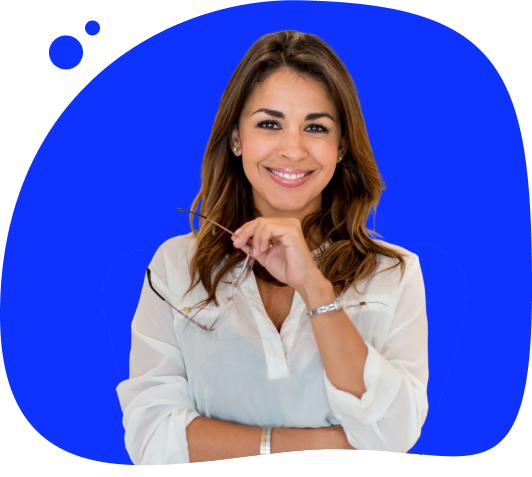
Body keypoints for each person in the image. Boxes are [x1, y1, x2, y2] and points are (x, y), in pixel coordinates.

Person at [116, 30, 428, 464]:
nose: (292, 150)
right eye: (269, 124)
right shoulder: (175, 267)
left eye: (316, 127)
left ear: (341, 147)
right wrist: (311, 445)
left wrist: (315, 288)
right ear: (236, 137)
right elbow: (152, 438)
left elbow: (394, 434)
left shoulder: (393, 274)